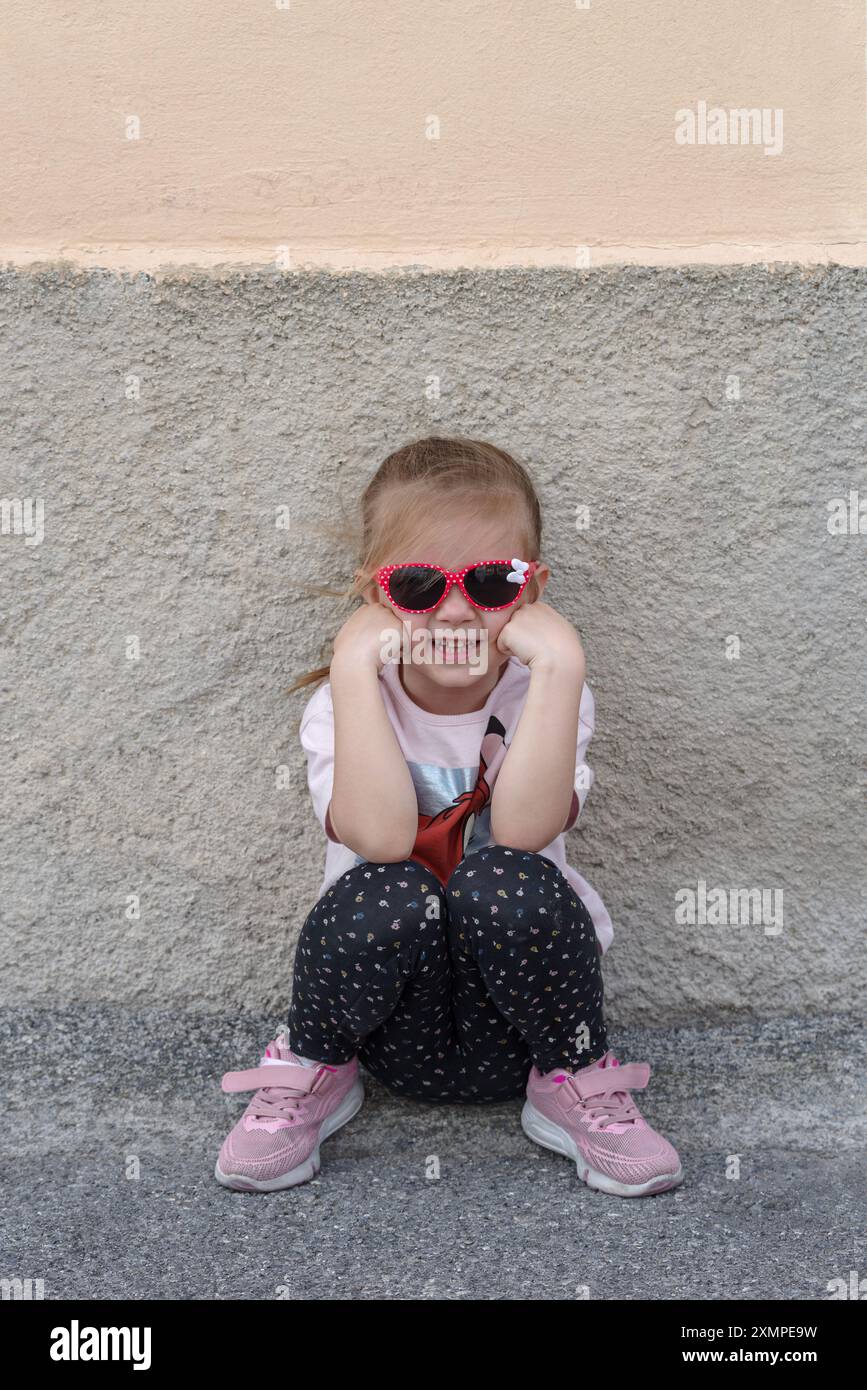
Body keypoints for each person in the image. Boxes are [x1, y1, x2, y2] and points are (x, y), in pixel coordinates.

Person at [215, 436, 683, 1198]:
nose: (458, 608)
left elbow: (528, 833)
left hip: (527, 1030)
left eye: (494, 581)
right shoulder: (344, 702)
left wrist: (560, 668)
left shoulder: (544, 691)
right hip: (388, 1032)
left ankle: (575, 1085)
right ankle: (313, 1071)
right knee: (385, 885)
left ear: (533, 592)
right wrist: (352, 669)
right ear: (375, 595)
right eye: (420, 582)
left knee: (504, 873)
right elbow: (381, 839)